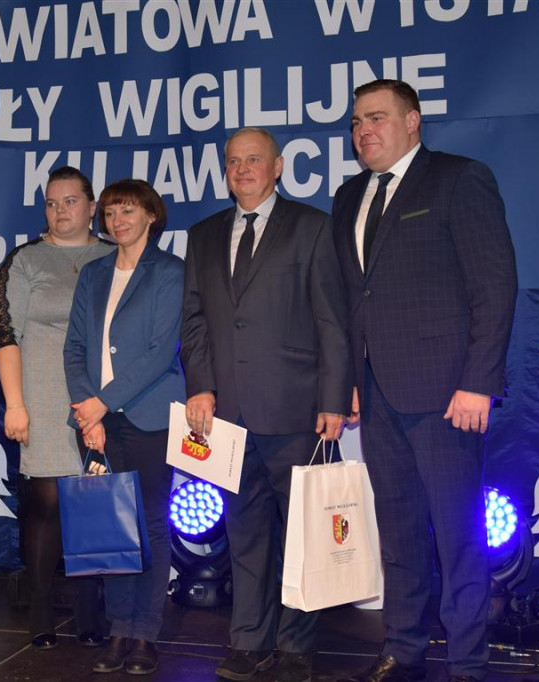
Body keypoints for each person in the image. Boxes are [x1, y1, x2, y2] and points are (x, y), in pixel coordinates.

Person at [332, 79, 517, 682]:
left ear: (412, 120)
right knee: (399, 531)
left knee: (459, 534)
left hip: (446, 394)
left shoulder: (459, 179)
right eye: (357, 122)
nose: (364, 131)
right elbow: (352, 299)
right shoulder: (349, 196)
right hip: (376, 392)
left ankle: (467, 662)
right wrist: (349, 379)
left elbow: (494, 286)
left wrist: (479, 381)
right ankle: (404, 648)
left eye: (377, 118)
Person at [181, 128, 351, 682]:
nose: (243, 169)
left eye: (254, 159)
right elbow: (194, 321)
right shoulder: (203, 235)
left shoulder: (311, 226)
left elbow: (332, 319)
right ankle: (249, 641)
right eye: (234, 161)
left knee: (303, 534)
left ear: (277, 167)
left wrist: (333, 398)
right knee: (245, 534)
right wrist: (200, 385)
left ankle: (296, 645)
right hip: (228, 416)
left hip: (297, 409)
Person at [63, 179, 185, 676]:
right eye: (111, 213)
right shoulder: (93, 273)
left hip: (149, 417)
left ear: (151, 216)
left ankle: (145, 634)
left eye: (128, 210)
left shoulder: (170, 271)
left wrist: (101, 404)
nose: (118, 221)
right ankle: (119, 631)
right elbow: (74, 347)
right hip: (97, 421)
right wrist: (86, 410)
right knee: (112, 527)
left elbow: (161, 352)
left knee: (152, 526)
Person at [0, 166, 113, 650]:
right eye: (50, 202)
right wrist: (15, 405)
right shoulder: (25, 259)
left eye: (70, 201)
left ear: (92, 206)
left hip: (100, 399)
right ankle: (41, 609)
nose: (59, 210)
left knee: (91, 503)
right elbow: (6, 335)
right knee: (44, 504)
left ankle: (90, 609)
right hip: (40, 397)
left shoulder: (114, 253)